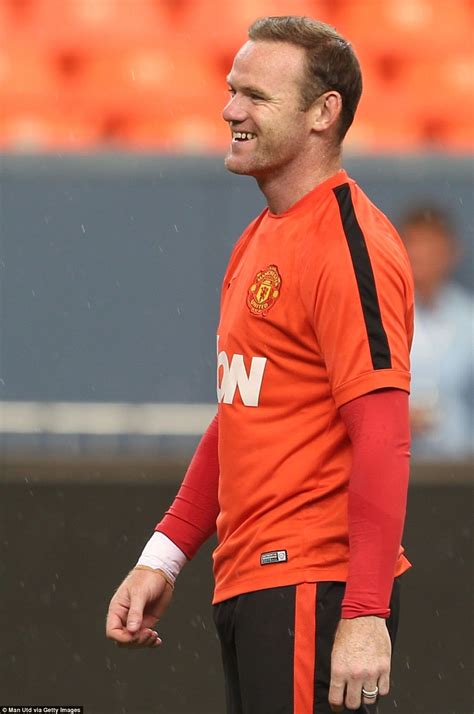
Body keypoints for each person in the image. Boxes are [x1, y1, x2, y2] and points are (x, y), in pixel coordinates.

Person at [106, 16, 414, 714]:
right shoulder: (259, 239)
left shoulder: (347, 243)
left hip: (314, 587)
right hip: (256, 584)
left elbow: (383, 435)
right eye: (230, 90)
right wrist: (164, 556)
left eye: (255, 96)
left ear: (322, 114)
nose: (230, 110)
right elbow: (243, 414)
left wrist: (364, 612)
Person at [399, 204, 473, 460]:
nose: (420, 255)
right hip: (402, 458)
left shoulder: (467, 317)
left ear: (450, 252)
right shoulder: (382, 315)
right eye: (414, 244)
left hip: (460, 461)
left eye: (431, 246)